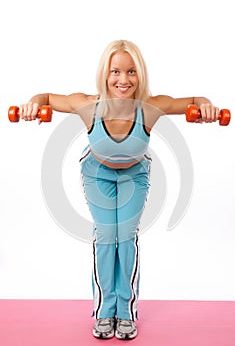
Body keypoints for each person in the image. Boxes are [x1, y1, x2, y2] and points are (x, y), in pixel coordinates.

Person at [19, 40, 220, 340]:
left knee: (125, 238)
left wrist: (205, 105)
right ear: (105, 73)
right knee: (105, 236)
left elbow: (193, 98)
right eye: (115, 71)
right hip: (96, 174)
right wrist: (33, 103)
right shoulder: (87, 106)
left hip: (134, 176)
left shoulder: (151, 108)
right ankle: (104, 311)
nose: (123, 80)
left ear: (140, 76)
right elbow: (46, 97)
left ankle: (125, 312)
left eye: (131, 72)